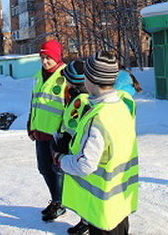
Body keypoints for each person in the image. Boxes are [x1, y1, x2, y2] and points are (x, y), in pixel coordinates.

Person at [54, 51, 139, 235]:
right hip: (119, 203)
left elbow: (85, 164)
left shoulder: (99, 117)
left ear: (91, 80)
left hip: (102, 211)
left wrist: (60, 159)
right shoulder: (121, 107)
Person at [27, 39, 67, 222]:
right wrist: (30, 123)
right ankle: (55, 200)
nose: (44, 62)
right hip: (40, 131)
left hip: (56, 133)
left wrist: (65, 132)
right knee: (43, 168)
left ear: (56, 57)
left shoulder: (65, 75)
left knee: (57, 169)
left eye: (48, 58)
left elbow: (70, 106)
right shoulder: (38, 75)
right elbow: (35, 101)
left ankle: (60, 203)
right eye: (42, 58)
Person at [53, 60, 90, 235]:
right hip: (73, 147)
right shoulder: (77, 95)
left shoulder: (80, 99)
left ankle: (88, 221)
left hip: (75, 149)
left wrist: (63, 142)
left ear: (72, 80)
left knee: (83, 187)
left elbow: (74, 126)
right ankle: (85, 219)